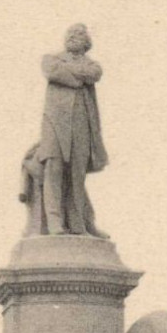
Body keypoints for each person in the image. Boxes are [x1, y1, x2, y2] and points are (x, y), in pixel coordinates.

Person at [37, 23, 109, 238]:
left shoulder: (93, 65)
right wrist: (78, 79)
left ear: (86, 42)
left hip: (81, 125)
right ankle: (54, 222)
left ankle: (78, 224)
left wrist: (71, 75)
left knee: (77, 176)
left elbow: (94, 73)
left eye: (78, 35)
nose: (73, 37)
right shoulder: (51, 59)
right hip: (55, 122)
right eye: (70, 34)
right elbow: (52, 71)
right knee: (54, 169)